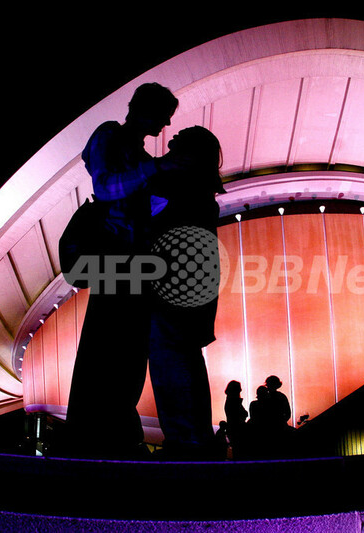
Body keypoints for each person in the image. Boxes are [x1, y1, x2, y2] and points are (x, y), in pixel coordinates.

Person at [62, 82, 184, 460]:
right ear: (145, 109)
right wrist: (158, 168)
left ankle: (113, 429)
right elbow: (105, 186)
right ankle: (94, 433)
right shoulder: (109, 135)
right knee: (107, 341)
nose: (165, 124)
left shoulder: (139, 152)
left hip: (132, 257)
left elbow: (148, 201)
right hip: (114, 254)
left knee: (129, 347)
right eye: (163, 115)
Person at [145, 126, 226, 460]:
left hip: (172, 288)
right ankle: (191, 438)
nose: (172, 137)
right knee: (180, 357)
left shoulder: (179, 186)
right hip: (187, 289)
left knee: (170, 358)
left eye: (182, 137)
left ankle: (187, 440)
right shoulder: (200, 193)